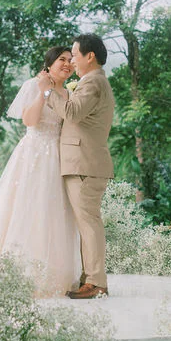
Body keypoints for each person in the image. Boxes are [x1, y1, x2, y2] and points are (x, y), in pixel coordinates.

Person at [0, 46, 82, 298]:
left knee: (53, 213)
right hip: (33, 155)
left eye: (70, 60)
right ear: (49, 64)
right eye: (61, 60)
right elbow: (30, 121)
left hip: (57, 157)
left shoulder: (68, 92)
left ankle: (52, 275)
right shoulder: (32, 85)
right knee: (26, 209)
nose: (67, 64)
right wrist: (43, 91)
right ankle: (18, 274)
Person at [39, 33, 115, 299]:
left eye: (75, 54)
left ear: (89, 56)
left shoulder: (92, 83)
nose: (72, 60)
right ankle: (89, 278)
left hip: (85, 164)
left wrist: (47, 91)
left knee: (89, 223)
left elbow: (72, 112)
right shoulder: (91, 83)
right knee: (87, 223)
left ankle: (96, 283)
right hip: (84, 163)